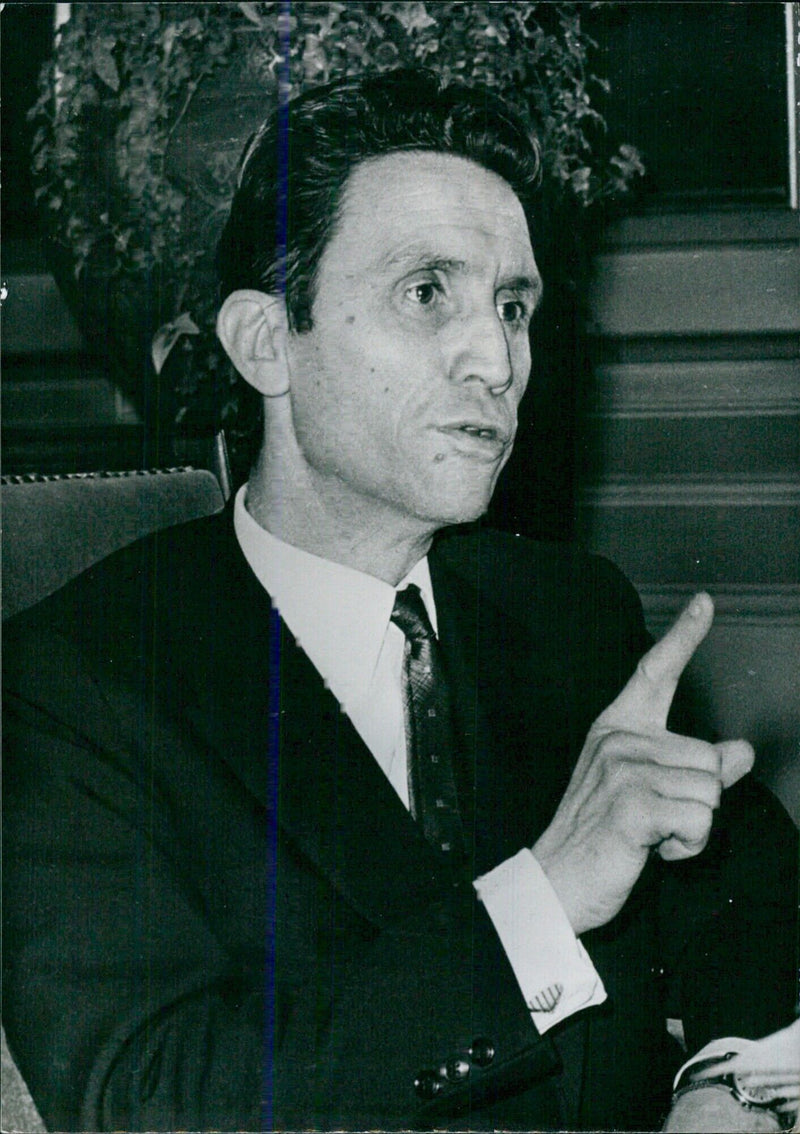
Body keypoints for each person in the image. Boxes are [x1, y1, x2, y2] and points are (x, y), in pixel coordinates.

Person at [3, 69, 797, 1133]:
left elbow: (754, 913)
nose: (496, 360)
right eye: (426, 292)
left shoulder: (568, 613)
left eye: (512, 306)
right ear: (264, 342)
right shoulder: (72, 687)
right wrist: (540, 900)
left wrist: (723, 1077)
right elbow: (153, 1098)